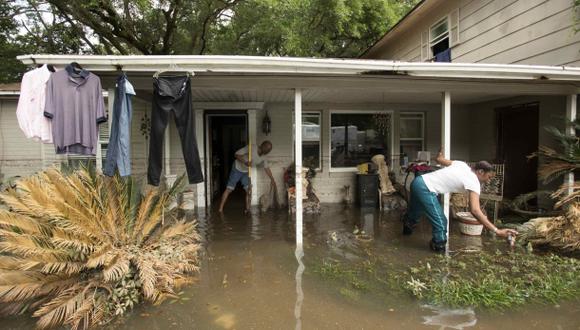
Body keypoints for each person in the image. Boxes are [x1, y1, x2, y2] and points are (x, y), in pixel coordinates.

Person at [402, 149, 518, 252]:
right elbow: (475, 211)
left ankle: (404, 236)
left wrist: (439, 156)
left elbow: (441, 160)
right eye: (489, 177)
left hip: (418, 181)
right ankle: (438, 249)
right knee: (441, 223)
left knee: (414, 213)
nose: (488, 181)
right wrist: (497, 230)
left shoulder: (462, 165)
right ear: (480, 172)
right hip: (425, 189)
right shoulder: (474, 181)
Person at [218, 141, 277, 213]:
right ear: (262, 146)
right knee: (229, 189)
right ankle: (220, 209)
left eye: (269, 150)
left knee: (249, 190)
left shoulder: (264, 157)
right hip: (237, 168)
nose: (268, 151)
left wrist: (272, 179)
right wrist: (245, 162)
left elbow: (267, 168)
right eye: (267, 148)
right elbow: (236, 154)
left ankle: (247, 209)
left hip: (246, 172)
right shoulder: (251, 147)